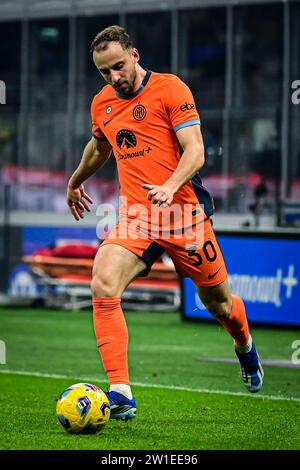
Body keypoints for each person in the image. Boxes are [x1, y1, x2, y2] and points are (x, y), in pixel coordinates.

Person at [66, 25, 264, 421]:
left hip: (184, 217)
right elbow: (99, 145)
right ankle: (120, 392)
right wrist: (76, 180)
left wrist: (171, 185)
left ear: (135, 55)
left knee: (220, 305)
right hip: (138, 218)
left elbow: (196, 151)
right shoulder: (102, 103)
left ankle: (244, 346)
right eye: (105, 72)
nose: (114, 78)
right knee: (103, 281)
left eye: (119, 66)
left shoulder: (171, 89)